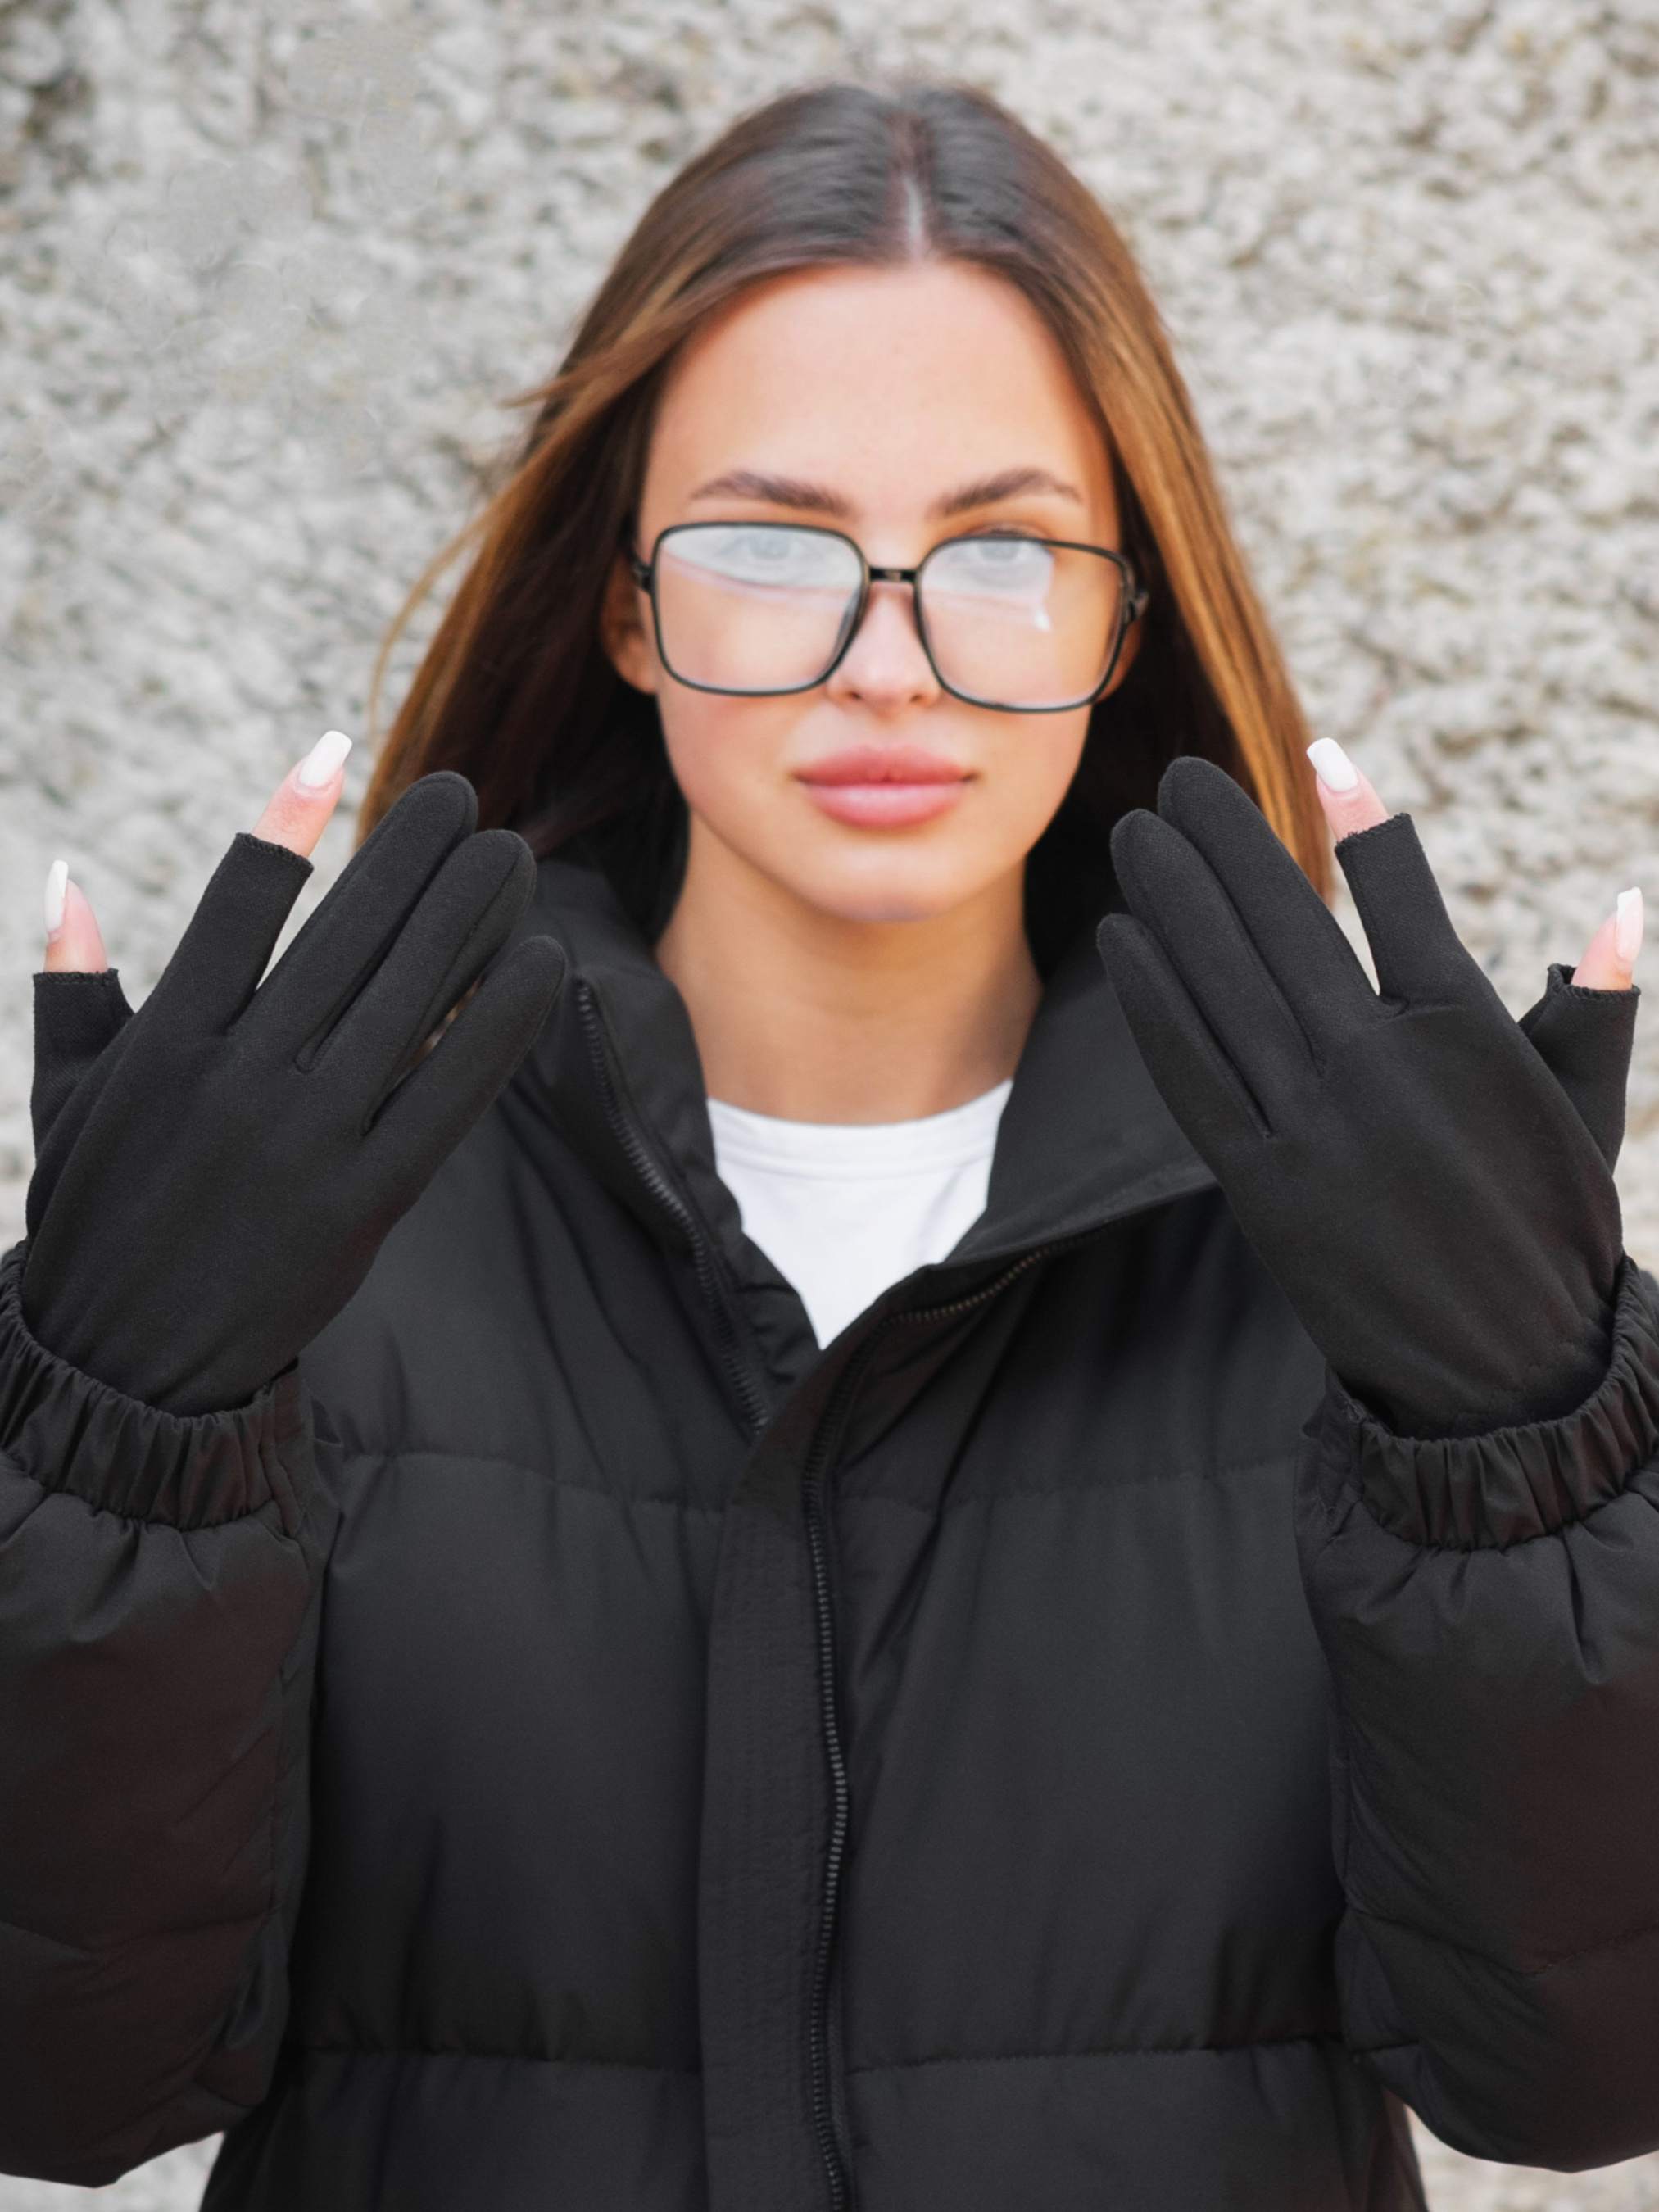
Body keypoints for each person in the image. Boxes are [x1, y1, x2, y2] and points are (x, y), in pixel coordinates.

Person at [1, 80, 1655, 2212]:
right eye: (771, 546)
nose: (888, 664)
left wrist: (1526, 1458)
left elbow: (1580, 2079)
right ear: (624, 604)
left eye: (1004, 551)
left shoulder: (1353, 1255)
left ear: (1123, 617)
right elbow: (61, 2086)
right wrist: (110, 1441)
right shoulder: (316, 1224)